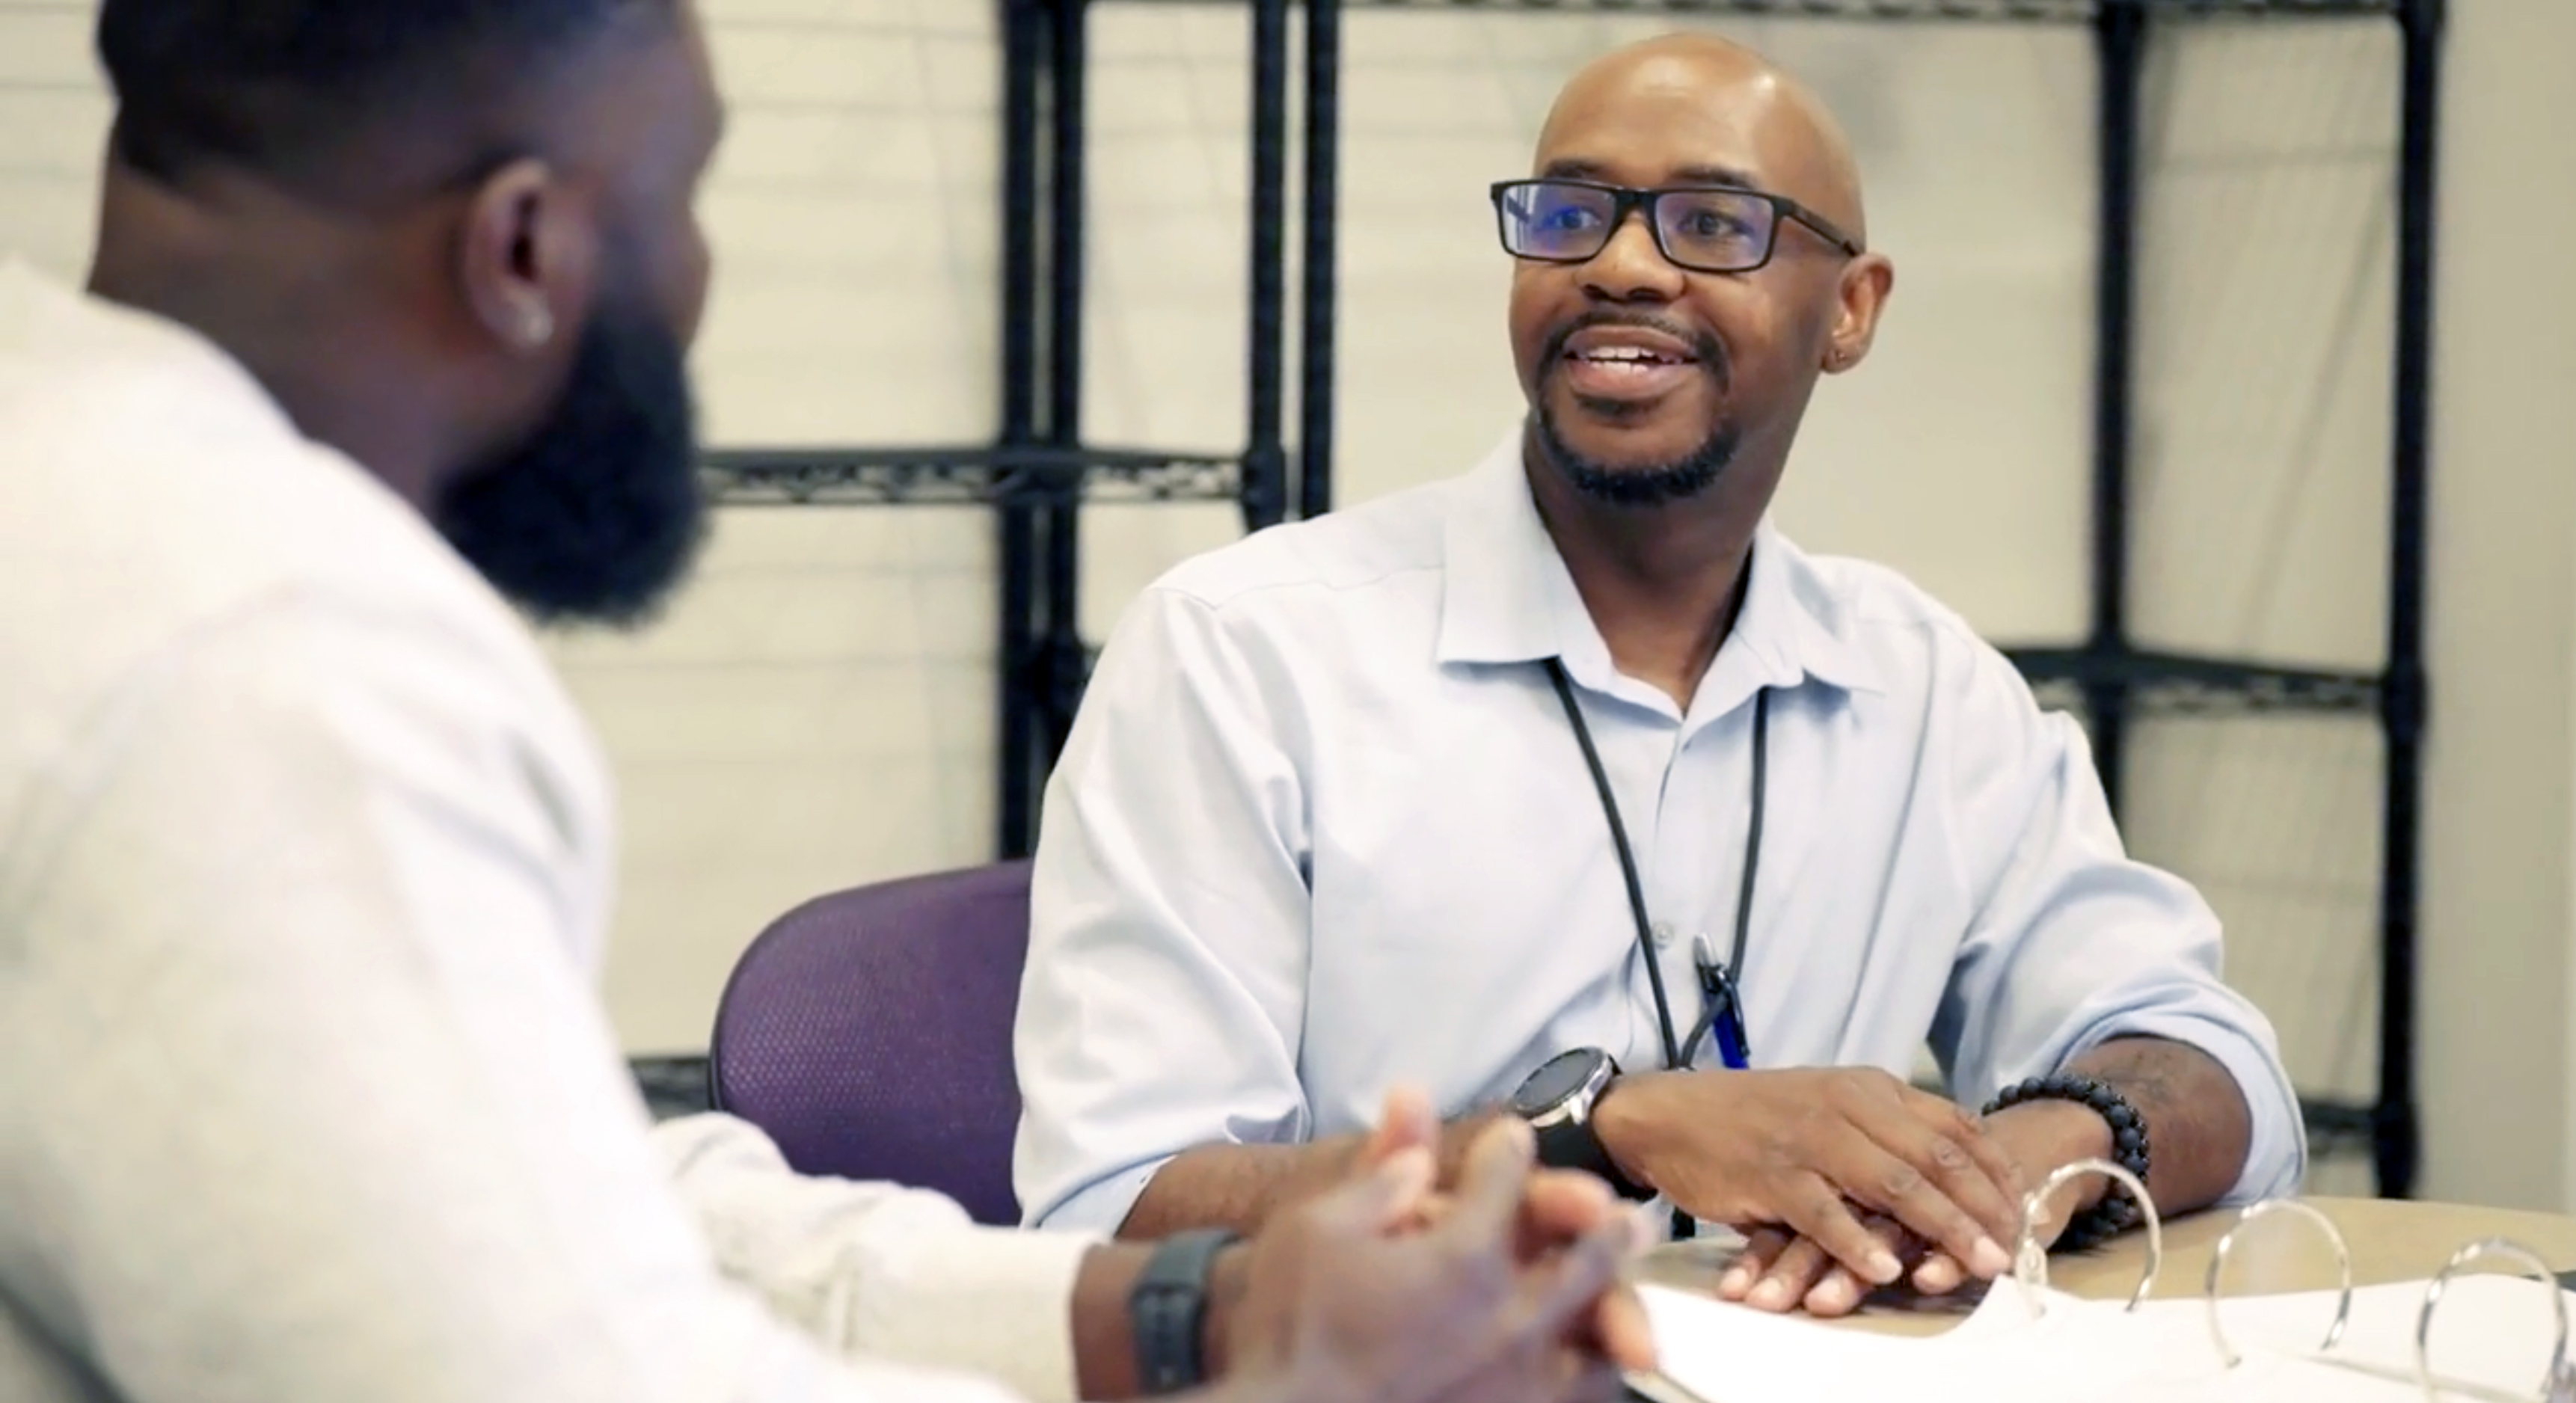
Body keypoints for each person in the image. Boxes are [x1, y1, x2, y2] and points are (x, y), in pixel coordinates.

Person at [0, 4, 1657, 1402]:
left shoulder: (71, 477)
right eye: (688, 195)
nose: (702, 265)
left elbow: (526, 1188)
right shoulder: (264, 659)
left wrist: (1192, 1312)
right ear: (522, 248)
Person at [1011, 31, 2308, 1320]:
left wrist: (2030, 1155)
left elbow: (2211, 1061)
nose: (1622, 265)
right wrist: (1599, 1136)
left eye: (1712, 222)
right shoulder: (1245, 655)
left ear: (1850, 310)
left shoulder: (1925, 691)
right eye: (1570, 214)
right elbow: (1114, 1215)